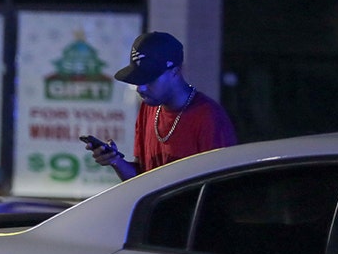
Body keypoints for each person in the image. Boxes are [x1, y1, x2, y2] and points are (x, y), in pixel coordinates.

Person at [89, 31, 237, 180]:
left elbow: (220, 186)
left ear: (176, 71)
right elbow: (142, 180)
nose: (141, 88)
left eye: (150, 79)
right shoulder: (149, 107)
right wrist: (115, 161)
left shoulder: (208, 117)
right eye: (138, 79)